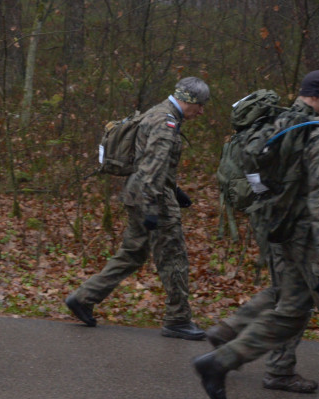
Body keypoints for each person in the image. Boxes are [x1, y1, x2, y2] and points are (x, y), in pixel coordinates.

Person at [193, 71, 319, 399]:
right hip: (313, 241)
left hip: (281, 231)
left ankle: (219, 361)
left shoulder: (279, 123)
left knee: (290, 309)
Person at [65, 77, 210, 339]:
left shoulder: (156, 112)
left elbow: (148, 161)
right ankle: (178, 319)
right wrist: (154, 206)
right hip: (151, 198)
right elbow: (151, 167)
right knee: (174, 257)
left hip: (139, 193)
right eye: (199, 105)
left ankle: (83, 297)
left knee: (132, 253)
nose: (201, 111)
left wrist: (174, 191)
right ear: (187, 100)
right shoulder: (166, 123)